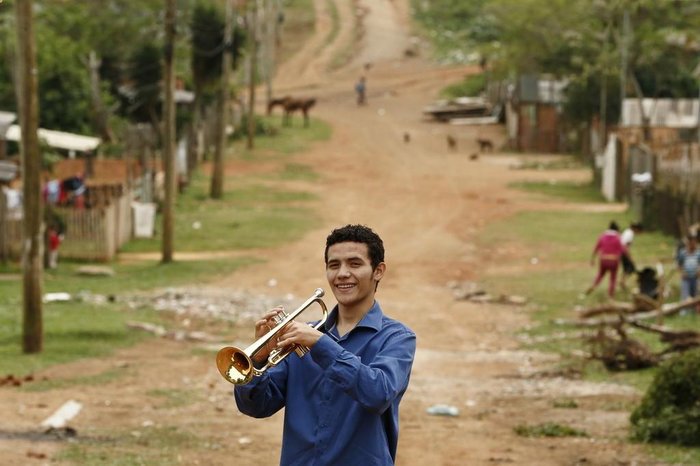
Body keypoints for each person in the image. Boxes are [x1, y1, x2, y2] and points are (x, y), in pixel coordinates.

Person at [233, 224, 416, 465]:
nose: (342, 273)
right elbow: (257, 407)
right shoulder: (300, 337)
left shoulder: (397, 338)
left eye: (355, 264)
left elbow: (378, 393)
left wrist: (321, 345)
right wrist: (258, 358)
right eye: (334, 265)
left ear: (378, 271)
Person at [585, 221, 627, 298]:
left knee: (600, 274)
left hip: (603, 259)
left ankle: (593, 286)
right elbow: (623, 249)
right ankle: (611, 294)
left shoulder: (602, 236)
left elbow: (596, 248)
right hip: (614, 260)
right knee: (613, 278)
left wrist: (592, 259)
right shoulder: (618, 237)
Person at [676, 232, 700, 314]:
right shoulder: (683, 253)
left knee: (696, 295)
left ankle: (695, 311)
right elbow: (679, 265)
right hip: (686, 278)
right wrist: (682, 272)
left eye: (695, 241)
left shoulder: (698, 253)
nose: (693, 244)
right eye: (691, 242)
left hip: (696, 277)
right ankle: (684, 312)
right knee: (685, 295)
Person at [620, 222, 643, 290]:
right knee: (631, 268)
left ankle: (622, 282)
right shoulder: (630, 234)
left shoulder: (627, 231)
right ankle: (622, 282)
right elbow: (626, 246)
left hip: (621, 252)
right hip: (623, 252)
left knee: (627, 268)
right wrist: (629, 257)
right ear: (636, 229)